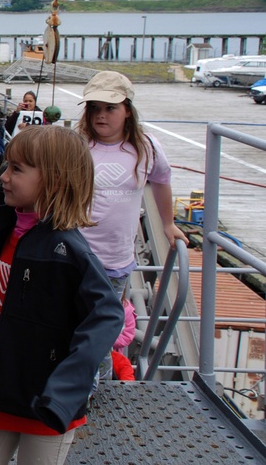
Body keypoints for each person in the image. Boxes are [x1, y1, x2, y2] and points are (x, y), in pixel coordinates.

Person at [0, 125, 122, 465]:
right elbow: (4, 206)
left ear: (55, 180)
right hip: (0, 389)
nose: (4, 177)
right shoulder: (13, 230)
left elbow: (107, 315)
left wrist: (66, 391)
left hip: (43, 403)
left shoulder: (68, 251)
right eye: (6, 167)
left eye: (17, 169)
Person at [75, 70, 184, 383]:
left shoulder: (146, 148)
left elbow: (161, 180)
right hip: (76, 254)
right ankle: (78, 387)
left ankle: (96, 386)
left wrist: (168, 223)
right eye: (95, 108)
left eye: (110, 108)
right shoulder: (77, 145)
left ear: (127, 111)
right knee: (75, 323)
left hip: (115, 259)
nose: (101, 115)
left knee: (102, 328)